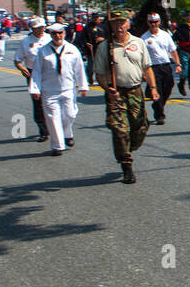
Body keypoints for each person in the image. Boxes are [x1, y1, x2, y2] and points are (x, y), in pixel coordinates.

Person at [93, 10, 159, 184]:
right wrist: (108, 89)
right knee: (120, 130)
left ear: (128, 24)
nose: (119, 26)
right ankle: (127, 165)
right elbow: (99, 74)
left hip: (135, 91)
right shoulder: (105, 47)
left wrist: (152, 88)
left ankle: (125, 150)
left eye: (122, 22)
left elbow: (148, 67)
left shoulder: (138, 42)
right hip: (116, 94)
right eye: (115, 23)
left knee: (141, 128)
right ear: (111, 25)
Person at [32, 23, 89, 155]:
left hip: (68, 89)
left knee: (70, 114)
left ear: (64, 33)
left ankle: (67, 134)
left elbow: (79, 69)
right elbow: (37, 72)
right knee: (53, 118)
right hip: (49, 91)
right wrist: (35, 89)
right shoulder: (43, 51)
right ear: (50, 35)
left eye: (60, 33)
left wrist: (83, 86)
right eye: (54, 33)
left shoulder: (72, 49)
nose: (57, 36)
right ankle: (57, 146)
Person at [14, 17, 50, 142]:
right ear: (32, 29)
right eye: (37, 28)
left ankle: (55, 126)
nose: (41, 30)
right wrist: (21, 68)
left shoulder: (50, 38)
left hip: (49, 73)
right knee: (38, 102)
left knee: (51, 100)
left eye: (42, 27)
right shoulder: (26, 41)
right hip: (33, 73)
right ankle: (43, 130)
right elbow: (17, 59)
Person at [141, 12, 181, 125]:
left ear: (159, 22)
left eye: (155, 22)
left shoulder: (165, 35)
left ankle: (158, 105)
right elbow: (141, 56)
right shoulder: (144, 38)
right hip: (152, 68)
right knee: (157, 90)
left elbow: (172, 50)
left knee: (168, 87)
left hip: (166, 65)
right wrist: (143, 72)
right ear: (148, 23)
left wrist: (178, 64)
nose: (153, 24)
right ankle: (159, 115)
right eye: (151, 22)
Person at [174, 13, 190, 97]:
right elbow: (174, 38)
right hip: (184, 51)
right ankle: (181, 84)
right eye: (187, 16)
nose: (189, 18)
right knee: (185, 70)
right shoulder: (181, 28)